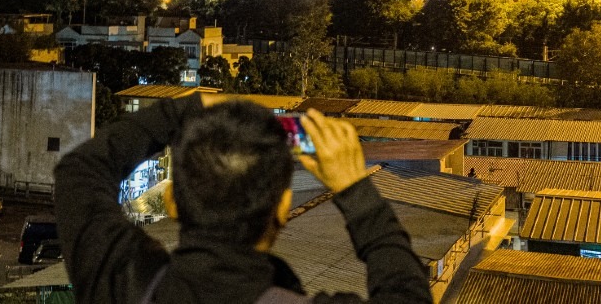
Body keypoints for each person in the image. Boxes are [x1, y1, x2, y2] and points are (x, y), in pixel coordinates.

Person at [54, 94, 433, 303]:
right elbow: (408, 294)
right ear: (283, 206)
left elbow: (80, 170)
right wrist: (354, 189)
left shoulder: (118, 281)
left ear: (171, 201)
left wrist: (188, 111)